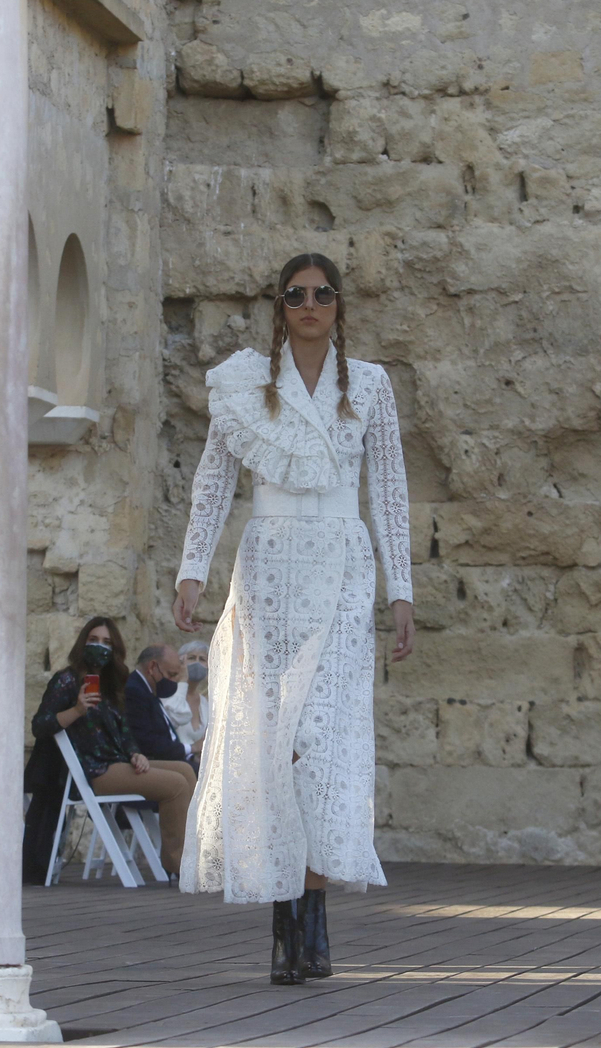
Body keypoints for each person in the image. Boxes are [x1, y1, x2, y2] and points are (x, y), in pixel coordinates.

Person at [172, 252, 415, 985]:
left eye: (323, 295)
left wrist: (401, 588)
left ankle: (313, 912)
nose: (310, 305)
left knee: (322, 741)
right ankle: (287, 926)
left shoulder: (369, 384)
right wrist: (192, 568)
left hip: (341, 564)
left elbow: (392, 491)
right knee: (272, 742)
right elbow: (214, 479)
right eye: (296, 295)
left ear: (340, 305)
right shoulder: (246, 386)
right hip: (269, 565)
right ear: (280, 306)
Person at [25, 618, 195, 881]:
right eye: (93, 640)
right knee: (175, 784)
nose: (99, 647)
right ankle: (179, 865)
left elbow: (124, 732)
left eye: (106, 642)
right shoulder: (67, 680)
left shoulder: (113, 686)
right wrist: (77, 710)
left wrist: (135, 753)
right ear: (83, 643)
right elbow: (40, 725)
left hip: (118, 761)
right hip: (94, 769)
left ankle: (193, 855)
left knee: (185, 770)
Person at [124, 644, 198, 769]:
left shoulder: (149, 689)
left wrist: (191, 756)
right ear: (152, 667)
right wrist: (193, 747)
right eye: (171, 674)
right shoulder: (134, 691)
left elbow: (167, 736)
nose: (174, 681)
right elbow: (147, 742)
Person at [161, 640, 210, 748]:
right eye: (191, 658)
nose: (197, 663)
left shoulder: (204, 703)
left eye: (202, 659)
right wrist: (183, 679)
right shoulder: (168, 693)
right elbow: (173, 717)